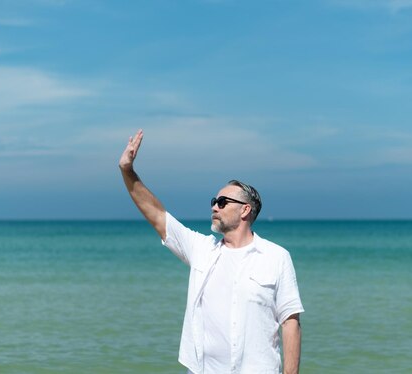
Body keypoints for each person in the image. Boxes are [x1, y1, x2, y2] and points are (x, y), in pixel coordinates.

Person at [118, 129, 304, 374]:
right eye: (213, 202)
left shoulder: (276, 257)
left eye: (223, 202)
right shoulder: (201, 250)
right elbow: (157, 216)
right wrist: (127, 170)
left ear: (245, 210)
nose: (215, 207)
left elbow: (290, 323)